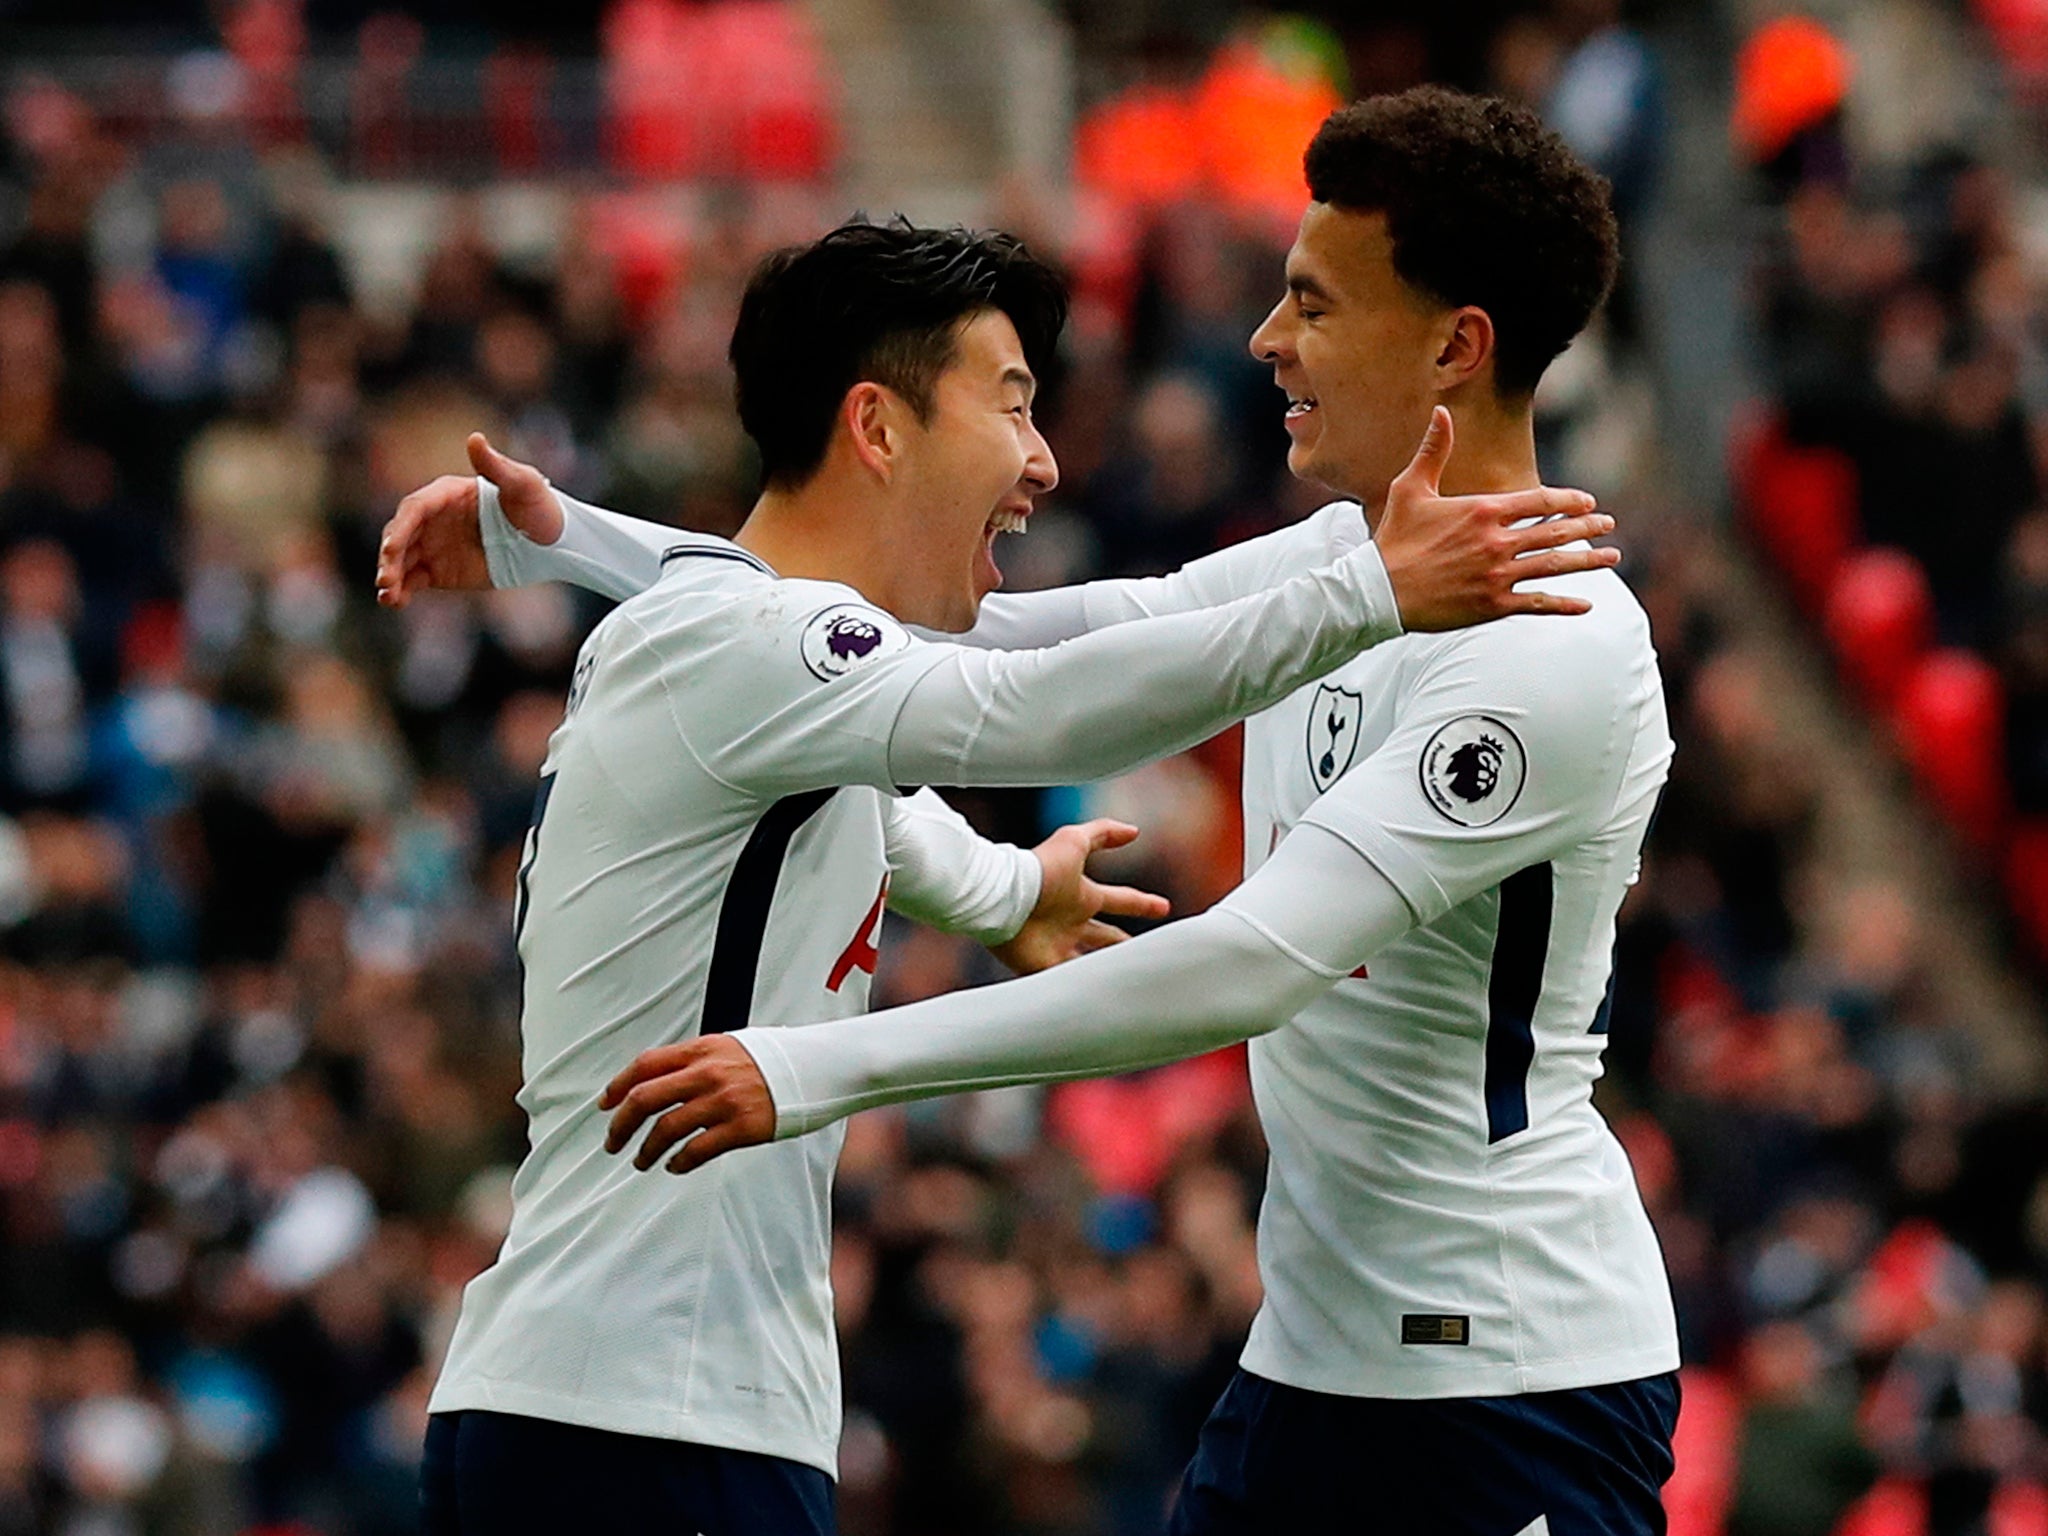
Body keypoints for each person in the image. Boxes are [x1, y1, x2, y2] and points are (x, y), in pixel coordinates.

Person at [377, 215, 1616, 1536]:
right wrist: (1369, 596)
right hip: (646, 1419)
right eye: (1013, 405)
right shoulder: (747, 644)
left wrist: (1008, 896)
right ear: (879, 427)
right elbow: (1032, 708)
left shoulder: (736, 661)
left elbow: (920, 785)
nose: (1042, 461)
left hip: (620, 1407)